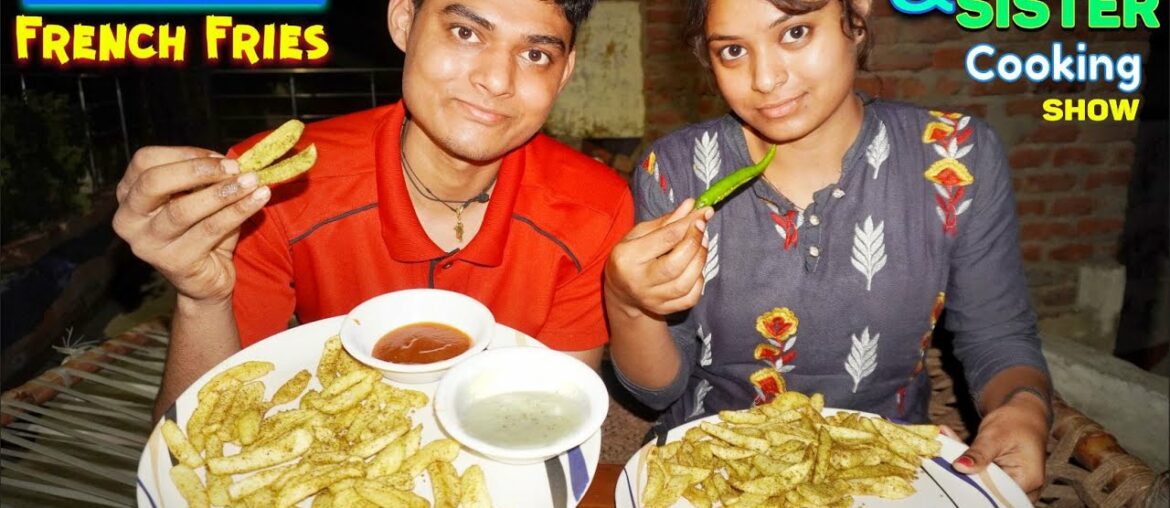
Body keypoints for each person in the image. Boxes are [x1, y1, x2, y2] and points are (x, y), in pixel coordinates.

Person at [603, 0, 1052, 498]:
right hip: (712, 472)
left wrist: (1024, 410)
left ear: (856, 13)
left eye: (795, 33)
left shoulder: (957, 157)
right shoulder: (676, 169)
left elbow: (998, 334)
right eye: (732, 50)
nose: (766, 78)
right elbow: (657, 391)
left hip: (886, 473)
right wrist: (629, 302)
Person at [112, 0, 632, 420]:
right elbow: (194, 444)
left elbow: (558, 413)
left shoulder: (595, 207)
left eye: (536, 54)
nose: (497, 80)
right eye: (466, 33)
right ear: (404, 22)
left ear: (564, 74)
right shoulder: (283, 186)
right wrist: (202, 299)